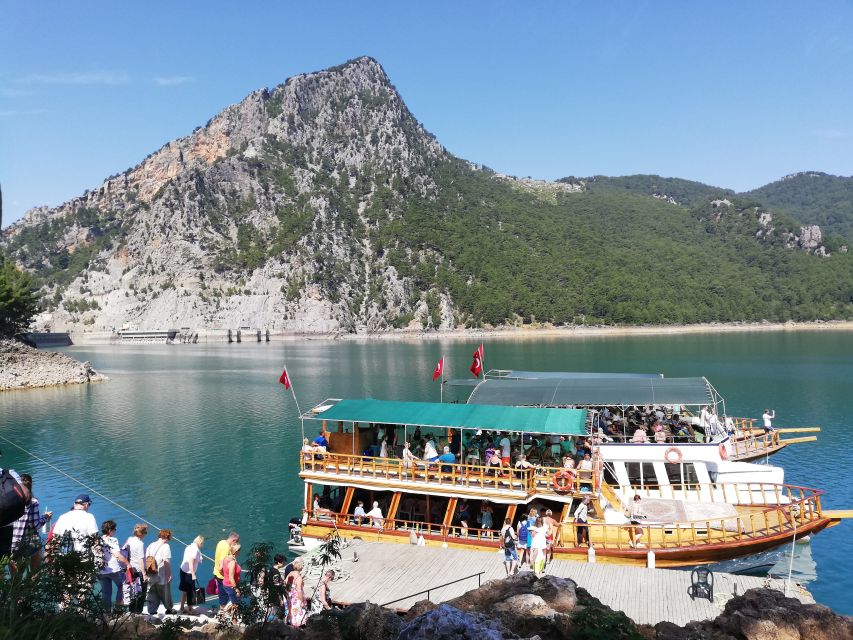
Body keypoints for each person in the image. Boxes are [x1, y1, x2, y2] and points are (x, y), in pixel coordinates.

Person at [10, 473, 51, 575]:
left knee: (15, 578)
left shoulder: (10, 500)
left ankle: (16, 590)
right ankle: (31, 589)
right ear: (31, 485)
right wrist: (46, 517)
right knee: (35, 573)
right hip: (30, 541)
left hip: (12, 542)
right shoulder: (33, 502)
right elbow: (36, 524)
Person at [98, 520, 128, 611]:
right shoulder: (112, 540)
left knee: (106, 592)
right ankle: (118, 610)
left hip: (100, 570)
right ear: (110, 530)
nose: (115, 531)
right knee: (122, 586)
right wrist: (127, 563)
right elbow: (117, 554)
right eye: (114, 529)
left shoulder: (97, 540)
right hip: (114, 569)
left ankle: (107, 613)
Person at [146, 529, 173, 614]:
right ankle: (169, 609)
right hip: (161, 575)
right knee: (165, 593)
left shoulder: (150, 545)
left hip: (150, 574)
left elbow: (146, 559)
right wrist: (169, 575)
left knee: (152, 593)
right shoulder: (165, 546)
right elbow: (166, 562)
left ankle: (152, 611)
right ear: (167, 537)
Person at [122, 524, 148, 613]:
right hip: (138, 570)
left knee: (132, 591)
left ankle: (131, 611)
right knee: (142, 592)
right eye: (146, 532)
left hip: (130, 569)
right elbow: (141, 560)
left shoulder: (129, 539)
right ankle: (138, 612)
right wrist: (144, 574)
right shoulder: (140, 544)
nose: (146, 534)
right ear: (142, 534)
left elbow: (123, 550)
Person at [214, 531, 240, 609]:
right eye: (236, 542)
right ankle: (223, 614)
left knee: (222, 596)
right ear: (233, 540)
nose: (235, 544)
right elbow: (221, 566)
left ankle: (222, 613)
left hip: (216, 573)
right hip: (222, 577)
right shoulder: (226, 548)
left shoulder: (221, 542)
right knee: (224, 598)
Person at [179, 535, 204, 614]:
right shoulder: (195, 550)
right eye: (202, 543)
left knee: (185, 591)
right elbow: (190, 562)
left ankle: (182, 607)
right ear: (200, 542)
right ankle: (190, 609)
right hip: (189, 572)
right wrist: (193, 574)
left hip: (183, 570)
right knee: (190, 591)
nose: (202, 545)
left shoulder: (189, 546)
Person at [219, 542, 241, 622]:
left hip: (225, 583)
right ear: (236, 551)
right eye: (239, 550)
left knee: (233, 601)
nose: (240, 551)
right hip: (231, 585)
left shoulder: (226, 558)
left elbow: (220, 569)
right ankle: (234, 621)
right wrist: (236, 589)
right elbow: (231, 578)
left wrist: (225, 576)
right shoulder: (232, 562)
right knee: (235, 603)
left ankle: (222, 614)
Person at [284, 558, 307, 627]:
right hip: (296, 598)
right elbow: (299, 591)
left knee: (291, 612)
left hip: (290, 596)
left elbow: (285, 583)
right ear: (301, 567)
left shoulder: (290, 573)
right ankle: (297, 627)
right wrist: (302, 601)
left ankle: (291, 624)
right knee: (297, 613)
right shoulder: (299, 578)